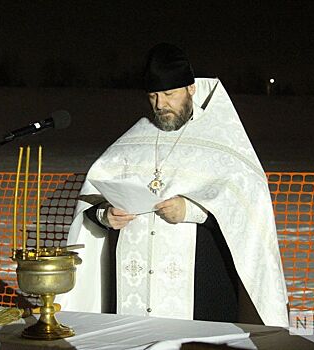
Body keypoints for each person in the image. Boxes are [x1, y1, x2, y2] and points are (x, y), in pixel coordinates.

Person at [60, 43, 289, 327]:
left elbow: (248, 218)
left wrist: (191, 211)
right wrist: (106, 216)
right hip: (130, 291)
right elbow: (91, 204)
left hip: (203, 291)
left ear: (191, 88)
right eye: (154, 95)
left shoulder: (222, 142)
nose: (160, 104)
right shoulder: (132, 141)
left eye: (169, 94)